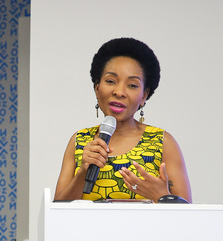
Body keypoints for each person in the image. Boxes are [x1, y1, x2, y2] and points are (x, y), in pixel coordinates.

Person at [54, 37, 192, 203]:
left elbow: (188, 217)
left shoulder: (163, 142)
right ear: (97, 88)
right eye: (111, 81)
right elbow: (57, 214)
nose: (119, 92)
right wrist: (83, 172)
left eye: (132, 85)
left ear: (144, 96)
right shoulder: (79, 141)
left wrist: (161, 196)